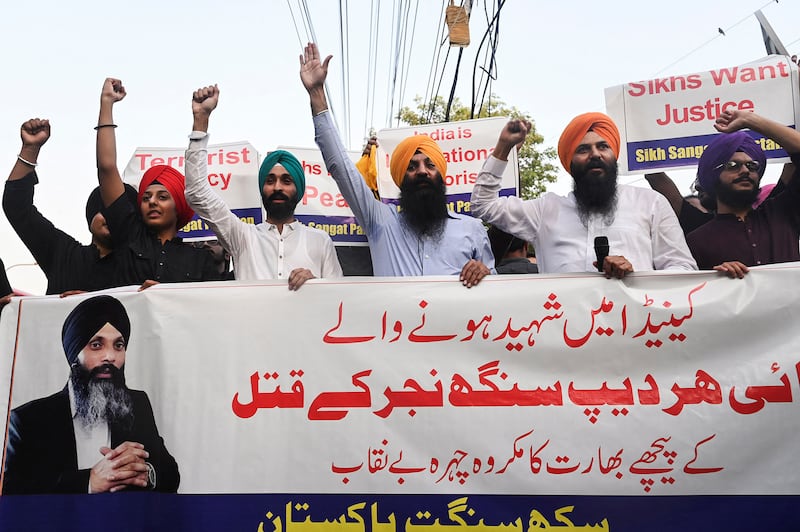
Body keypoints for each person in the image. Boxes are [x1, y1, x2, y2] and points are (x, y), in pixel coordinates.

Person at [301, 43, 494, 287]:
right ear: (401, 179)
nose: (422, 171)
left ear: (441, 175)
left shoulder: (472, 229)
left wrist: (484, 272)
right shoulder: (380, 222)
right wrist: (317, 95)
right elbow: (341, 168)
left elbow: (493, 295)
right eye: (411, 167)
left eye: (429, 165)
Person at [471, 114, 697, 278]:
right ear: (570, 162)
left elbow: (683, 269)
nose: (595, 155)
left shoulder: (650, 203)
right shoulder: (545, 210)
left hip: (636, 330)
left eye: (603, 147)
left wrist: (636, 276)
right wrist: (504, 148)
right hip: (565, 332)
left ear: (613, 154)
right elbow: (483, 204)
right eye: (583, 149)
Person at [3, 295, 179, 494]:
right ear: (73, 355)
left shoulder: (137, 404)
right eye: (96, 345)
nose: (110, 356)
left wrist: (146, 473)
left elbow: (171, 474)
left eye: (118, 345)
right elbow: (11, 489)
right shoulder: (29, 419)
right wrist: (89, 481)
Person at [184, 85, 342, 290]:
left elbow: (339, 298)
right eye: (270, 180)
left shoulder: (320, 241)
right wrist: (201, 121)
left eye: (286, 181)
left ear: (299, 190)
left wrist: (316, 286)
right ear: (262, 188)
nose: (277, 187)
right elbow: (197, 193)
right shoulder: (243, 237)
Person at [95, 78, 221, 288]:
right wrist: (106, 103)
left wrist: (164, 297)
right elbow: (107, 167)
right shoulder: (128, 235)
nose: (152, 202)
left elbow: (208, 311)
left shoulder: (200, 261)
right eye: (146, 197)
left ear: (178, 206)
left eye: (163, 197)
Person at [3, 118, 138, 295]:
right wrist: (30, 149)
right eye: (102, 210)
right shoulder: (62, 253)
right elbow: (17, 207)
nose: (110, 217)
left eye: (118, 212)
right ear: (90, 218)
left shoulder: (143, 264)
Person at [685, 109, 800, 278]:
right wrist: (716, 276)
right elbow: (690, 292)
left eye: (752, 166)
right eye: (732, 165)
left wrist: (749, 120)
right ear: (713, 175)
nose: (745, 170)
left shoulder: (782, 212)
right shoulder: (696, 241)